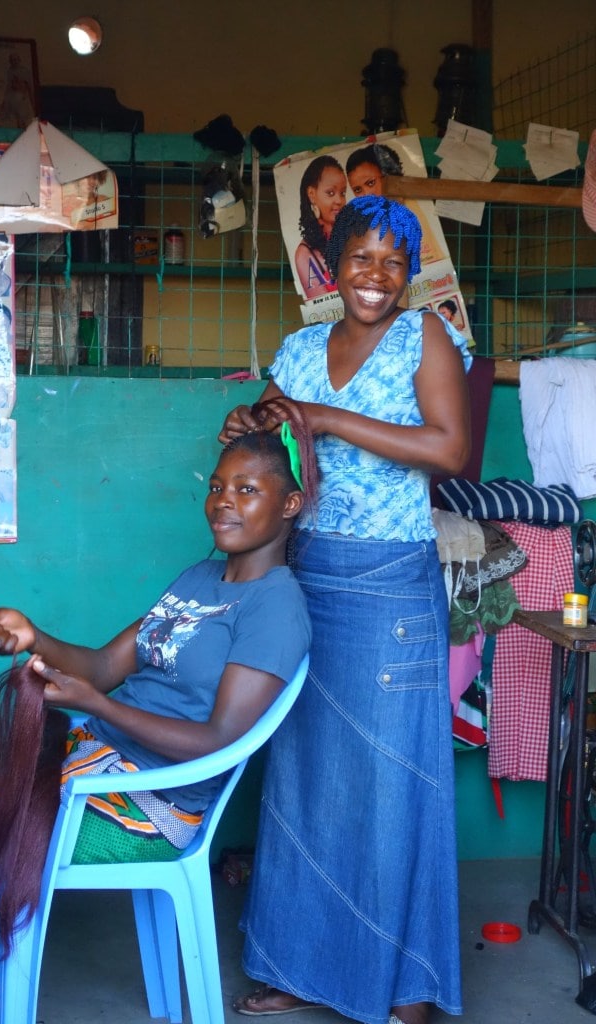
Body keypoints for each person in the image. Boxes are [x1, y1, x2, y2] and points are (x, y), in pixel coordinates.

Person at [0, 426, 314, 1024]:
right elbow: (107, 665)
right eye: (217, 486)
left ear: (289, 504)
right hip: (87, 756)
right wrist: (35, 636)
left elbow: (220, 738)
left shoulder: (276, 607)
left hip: (141, 806)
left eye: (246, 489)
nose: (223, 501)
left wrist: (100, 706)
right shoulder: (198, 579)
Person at [219, 195, 471, 1024]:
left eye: (394, 262)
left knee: (392, 783)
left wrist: (328, 419)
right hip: (303, 581)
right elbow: (268, 440)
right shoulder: (295, 350)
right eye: (361, 258)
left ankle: (406, 984)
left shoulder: (424, 337)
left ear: (410, 274)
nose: (378, 277)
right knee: (303, 780)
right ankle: (301, 962)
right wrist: (247, 425)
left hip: (389, 587)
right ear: (331, 266)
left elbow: (449, 449)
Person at [294, 155, 347, 299]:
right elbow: (325, 314)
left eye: (342, 193)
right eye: (330, 193)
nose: (339, 200)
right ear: (312, 194)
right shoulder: (305, 254)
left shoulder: (352, 237)